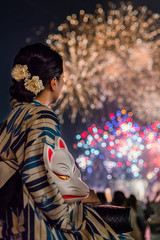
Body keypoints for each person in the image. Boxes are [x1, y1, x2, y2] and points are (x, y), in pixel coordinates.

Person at [0, 43, 133, 240]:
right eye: (63, 79)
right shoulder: (41, 116)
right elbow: (38, 177)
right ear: (53, 82)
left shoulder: (11, 119)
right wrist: (71, 218)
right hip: (35, 226)